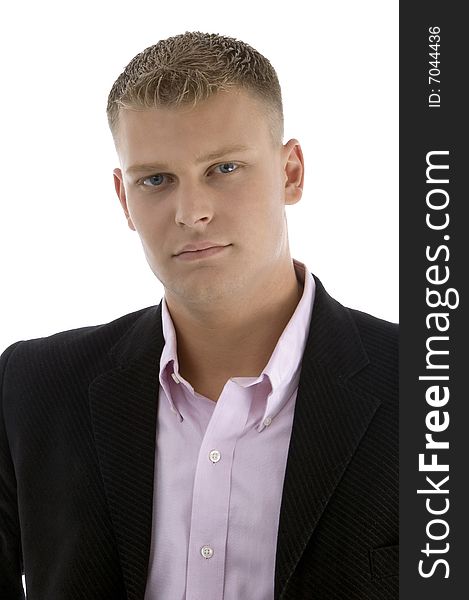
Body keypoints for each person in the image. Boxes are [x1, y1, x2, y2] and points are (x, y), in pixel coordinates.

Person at [0, 31, 398, 599]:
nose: (192, 212)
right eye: (156, 180)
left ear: (291, 173)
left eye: (224, 169)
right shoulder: (33, 389)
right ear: (123, 198)